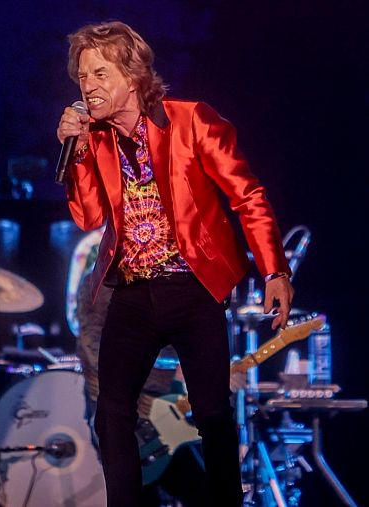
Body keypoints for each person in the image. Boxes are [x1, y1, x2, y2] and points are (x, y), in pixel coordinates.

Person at [56, 21, 294, 506]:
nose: (89, 86)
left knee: (211, 413)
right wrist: (77, 152)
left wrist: (275, 270)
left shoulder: (191, 121)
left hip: (193, 288)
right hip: (132, 291)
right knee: (112, 412)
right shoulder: (95, 139)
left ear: (133, 75)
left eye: (100, 73)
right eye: (82, 76)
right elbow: (89, 217)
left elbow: (248, 196)